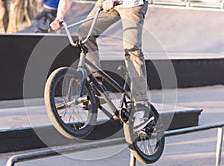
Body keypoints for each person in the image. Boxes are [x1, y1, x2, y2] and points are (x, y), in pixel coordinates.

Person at [50, 0, 152, 132]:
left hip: (132, 4)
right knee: (85, 34)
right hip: (107, 3)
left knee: (132, 50)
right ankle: (96, 86)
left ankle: (141, 105)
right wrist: (59, 18)